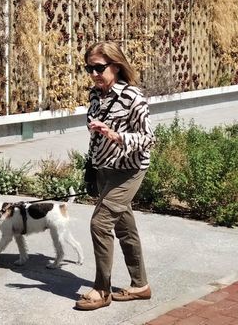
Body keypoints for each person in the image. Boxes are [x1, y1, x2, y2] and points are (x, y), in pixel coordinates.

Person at [74, 41, 155, 311]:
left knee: (100, 224)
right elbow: (95, 136)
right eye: (89, 68)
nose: (94, 74)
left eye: (99, 68)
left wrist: (114, 135)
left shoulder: (133, 97)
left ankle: (102, 289)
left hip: (129, 171)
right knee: (124, 228)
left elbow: (148, 138)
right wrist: (92, 166)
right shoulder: (95, 96)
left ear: (116, 65)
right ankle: (140, 285)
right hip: (104, 170)